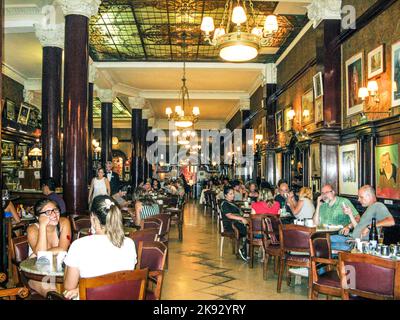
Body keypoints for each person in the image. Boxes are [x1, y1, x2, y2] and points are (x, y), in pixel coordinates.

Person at [63, 195, 137, 299]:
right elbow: (122, 281)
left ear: (93, 218)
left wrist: (80, 289)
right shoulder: (130, 243)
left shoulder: (79, 246)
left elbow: (69, 286)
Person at [26, 199, 71, 296]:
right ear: (38, 217)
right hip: (38, 274)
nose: (54, 214)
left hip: (59, 271)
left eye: (56, 210)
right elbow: (41, 255)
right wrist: (42, 225)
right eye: (48, 212)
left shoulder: (64, 223)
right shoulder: (32, 229)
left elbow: (63, 248)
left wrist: (39, 254)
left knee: (73, 289)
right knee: (54, 293)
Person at [330, 185, 395, 251]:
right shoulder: (369, 208)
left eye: (361, 197)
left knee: (326, 244)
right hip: (351, 240)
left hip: (358, 246)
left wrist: (369, 227)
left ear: (369, 196)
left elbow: (391, 221)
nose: (358, 200)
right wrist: (350, 214)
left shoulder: (378, 205)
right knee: (325, 239)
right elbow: (358, 228)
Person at [220, 186, 249, 262]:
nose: (233, 195)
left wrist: (244, 216)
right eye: (231, 194)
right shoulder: (224, 204)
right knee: (249, 231)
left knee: (251, 229)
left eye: (233, 193)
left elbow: (237, 213)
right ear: (225, 195)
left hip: (236, 222)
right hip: (230, 224)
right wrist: (241, 218)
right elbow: (229, 215)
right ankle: (244, 250)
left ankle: (246, 248)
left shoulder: (232, 203)